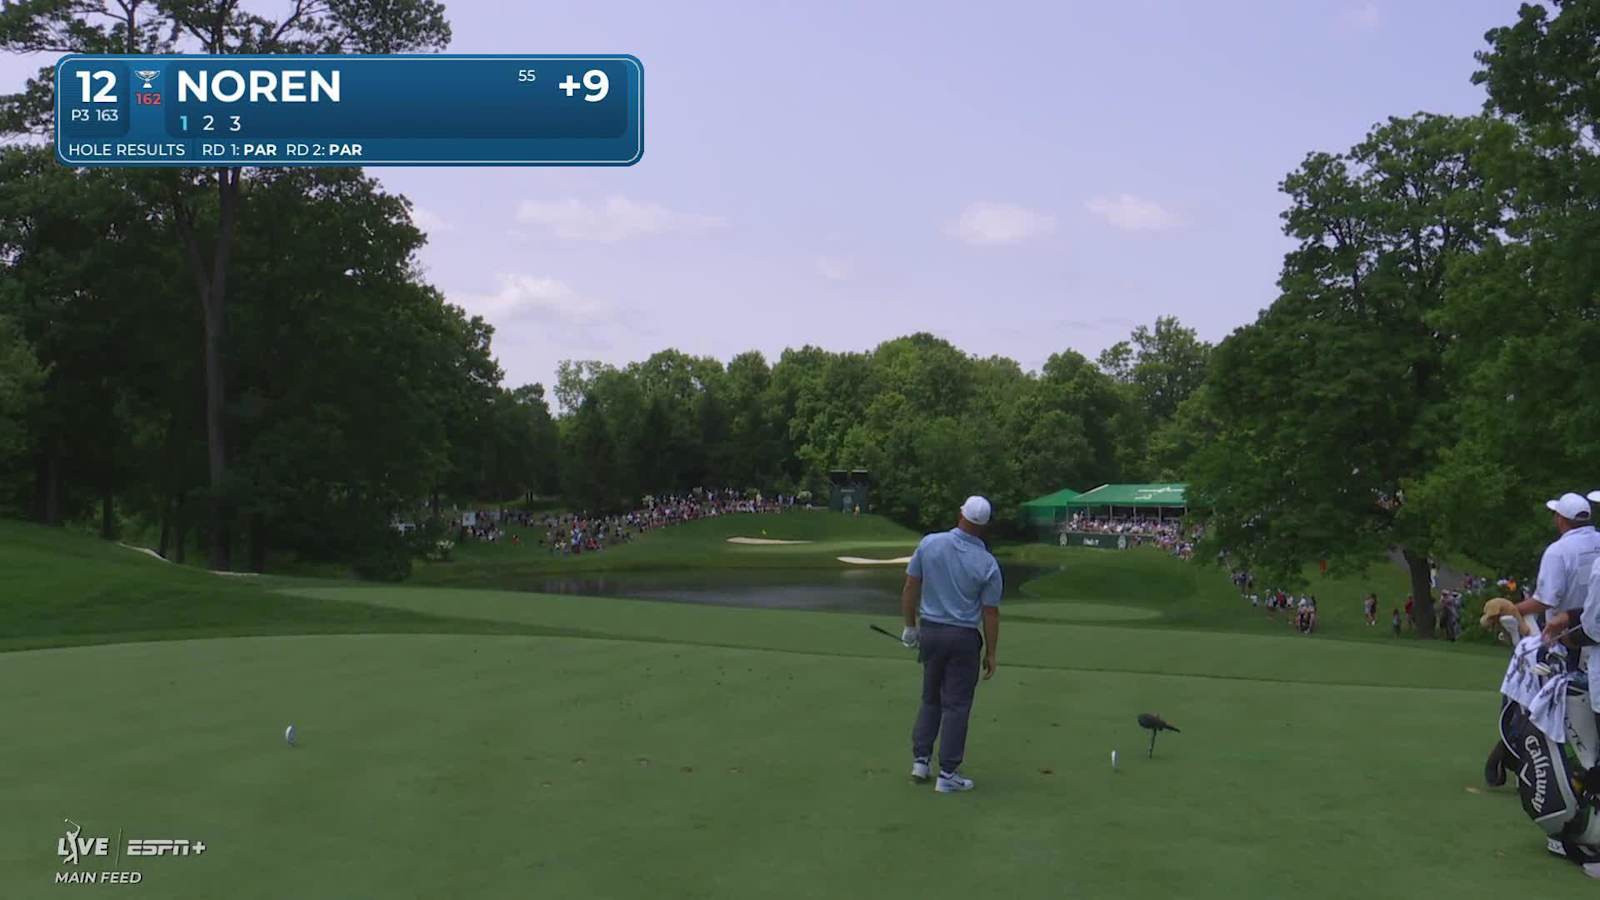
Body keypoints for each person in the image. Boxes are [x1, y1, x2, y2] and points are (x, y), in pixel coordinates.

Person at [900, 495, 1002, 794]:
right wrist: (992, 653)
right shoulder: (987, 563)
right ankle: (947, 773)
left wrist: (909, 627)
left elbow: (910, 586)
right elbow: (990, 612)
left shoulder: (930, 543)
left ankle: (921, 761)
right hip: (963, 638)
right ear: (984, 525)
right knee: (956, 705)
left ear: (961, 513)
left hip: (931, 633)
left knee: (931, 697)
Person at [1526, 493, 1600, 645]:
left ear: (1560, 519)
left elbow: (1545, 600)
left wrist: (1513, 610)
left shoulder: (1557, 551)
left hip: (1566, 635)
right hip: (1590, 630)